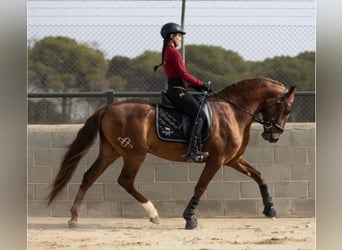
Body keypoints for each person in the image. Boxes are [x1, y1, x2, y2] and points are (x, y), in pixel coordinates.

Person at [154, 22, 212, 162]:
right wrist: (201, 84)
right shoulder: (174, 53)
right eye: (179, 35)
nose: (180, 38)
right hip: (178, 91)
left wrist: (196, 86)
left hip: (176, 89)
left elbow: (180, 76)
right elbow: (184, 75)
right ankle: (192, 150)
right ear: (172, 36)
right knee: (200, 115)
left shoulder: (167, 51)